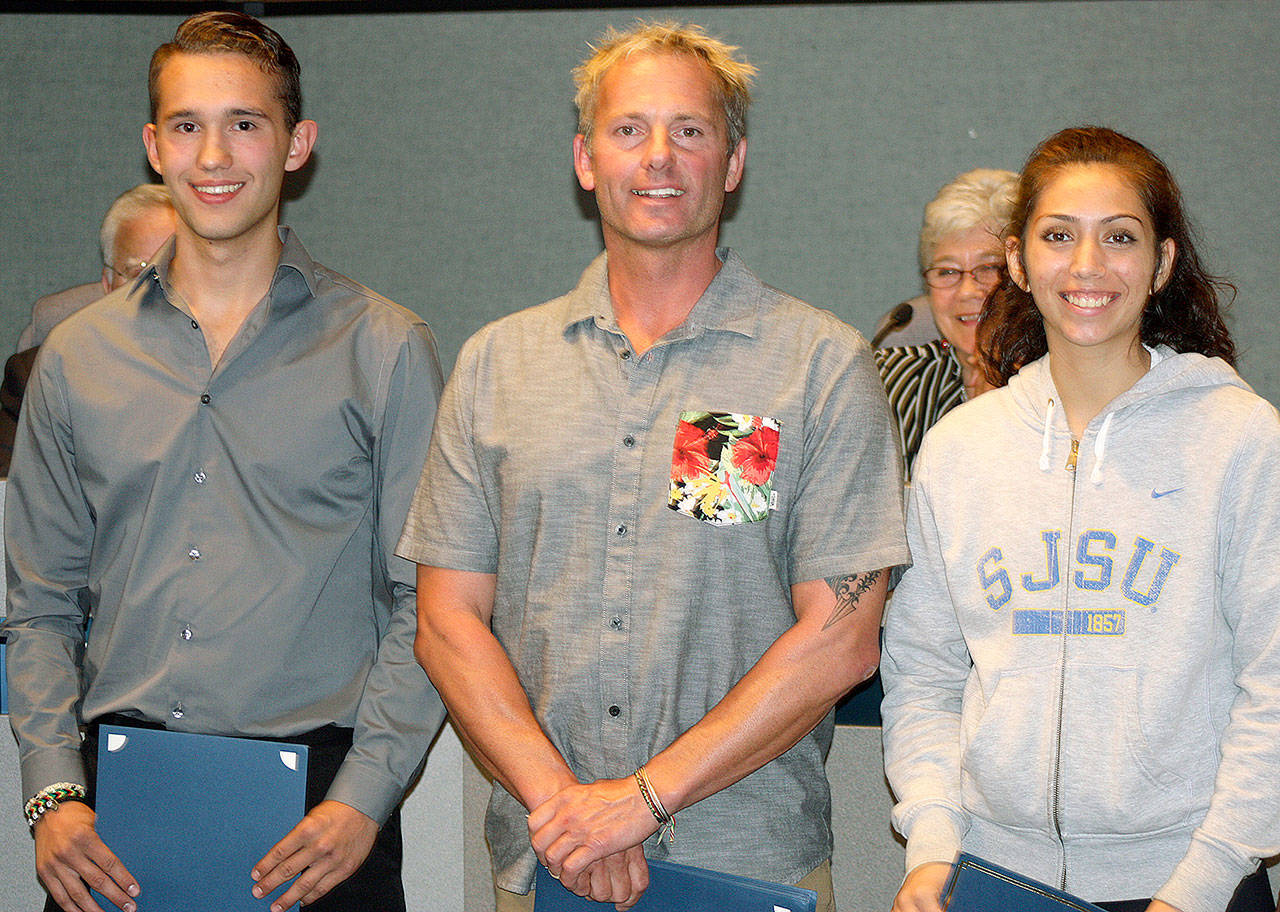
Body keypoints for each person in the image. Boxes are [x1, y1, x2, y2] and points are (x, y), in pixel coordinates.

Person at [396, 21, 908, 912]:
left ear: (734, 161)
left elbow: (842, 637)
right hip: (543, 862)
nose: (659, 157)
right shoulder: (496, 365)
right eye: (629, 129)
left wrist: (638, 802)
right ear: (586, 159)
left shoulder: (818, 366)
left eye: (691, 130)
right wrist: (569, 809)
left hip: (750, 867)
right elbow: (446, 621)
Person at [3, 11, 444, 912]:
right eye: (188, 125)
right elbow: (39, 605)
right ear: (153, 146)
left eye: (245, 123)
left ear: (296, 145)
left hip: (322, 822)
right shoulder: (76, 357)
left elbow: (428, 605)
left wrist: (364, 798)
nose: (215, 155)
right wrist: (53, 793)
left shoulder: (386, 349)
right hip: (112, 818)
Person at [881, 126, 1280, 912]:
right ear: (1020, 262)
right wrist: (933, 846)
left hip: (1190, 882)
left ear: (1162, 263)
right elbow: (923, 674)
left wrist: (1200, 883)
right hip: (995, 880)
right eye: (1059, 236)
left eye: (1120, 237)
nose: (1088, 266)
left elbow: (1273, 685)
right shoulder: (960, 450)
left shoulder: (1241, 440)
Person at [875, 168, 1017, 479]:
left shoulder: (1063, 384)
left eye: (989, 267)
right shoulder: (893, 379)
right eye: (947, 272)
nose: (967, 291)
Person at [16, 184, 177, 352]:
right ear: (108, 282)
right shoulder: (58, 331)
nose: (156, 289)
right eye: (139, 273)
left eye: (172, 271)